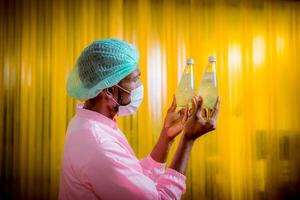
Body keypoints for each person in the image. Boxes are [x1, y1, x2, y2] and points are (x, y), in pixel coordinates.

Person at [59, 38, 220, 200]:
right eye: (135, 79)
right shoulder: (99, 144)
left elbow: (134, 177)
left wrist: (166, 137)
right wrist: (188, 139)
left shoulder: (86, 123)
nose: (139, 86)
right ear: (109, 89)